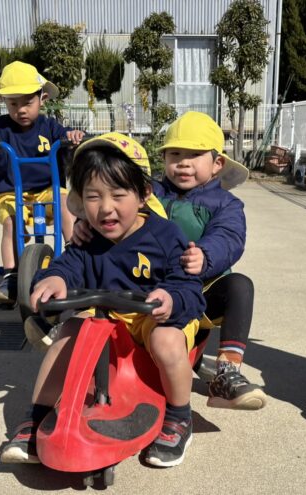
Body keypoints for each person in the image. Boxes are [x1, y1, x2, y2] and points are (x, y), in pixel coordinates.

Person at [0, 134, 206, 468]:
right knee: (70, 332)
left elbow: (188, 285)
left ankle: (180, 416)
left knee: (165, 341)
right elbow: (67, 266)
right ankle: (36, 416)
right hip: (109, 319)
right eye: (93, 196)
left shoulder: (166, 236)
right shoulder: (87, 238)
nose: (106, 207)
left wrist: (170, 297)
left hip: (157, 317)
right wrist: (54, 279)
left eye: (118, 195)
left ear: (143, 194)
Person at [69, 111, 267, 410]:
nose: (183, 163)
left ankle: (227, 371)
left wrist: (206, 254)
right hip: (147, 285)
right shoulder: (150, 191)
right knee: (92, 270)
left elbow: (229, 236)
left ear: (217, 163)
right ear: (163, 159)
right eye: (175, 154)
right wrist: (84, 222)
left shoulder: (226, 204)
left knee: (239, 286)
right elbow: (112, 207)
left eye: (194, 155)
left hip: (198, 288)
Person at [0, 61, 84, 304]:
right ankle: (11, 276)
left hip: (48, 189)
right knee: (10, 224)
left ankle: (76, 257)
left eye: (27, 102)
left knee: (67, 205)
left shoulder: (50, 126)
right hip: (13, 192)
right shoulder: (1, 128)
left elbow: (66, 138)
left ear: (42, 99)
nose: (21, 110)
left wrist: (72, 137)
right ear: (5, 102)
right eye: (13, 104)